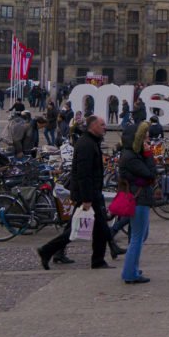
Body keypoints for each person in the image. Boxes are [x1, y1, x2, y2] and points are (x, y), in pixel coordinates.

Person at [37, 114, 113, 270]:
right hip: (88, 194)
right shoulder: (86, 144)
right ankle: (47, 250)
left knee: (97, 229)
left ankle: (98, 260)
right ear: (93, 126)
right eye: (102, 124)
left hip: (92, 193)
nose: (105, 127)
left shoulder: (91, 141)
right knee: (77, 229)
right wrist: (86, 199)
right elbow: (83, 174)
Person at [118, 121, 156, 284]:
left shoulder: (131, 154)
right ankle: (130, 273)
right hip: (138, 199)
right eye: (145, 137)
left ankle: (131, 268)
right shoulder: (132, 157)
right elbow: (150, 173)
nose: (148, 140)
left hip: (139, 197)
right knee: (137, 237)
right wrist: (148, 155)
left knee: (141, 235)